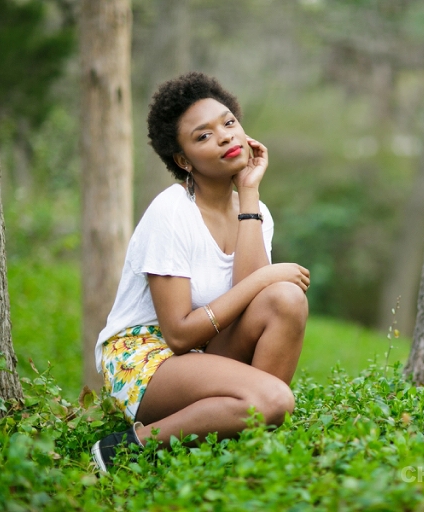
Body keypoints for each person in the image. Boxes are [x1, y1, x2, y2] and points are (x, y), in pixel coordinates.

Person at [90, 72, 310, 473]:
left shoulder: (257, 213)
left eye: (228, 123)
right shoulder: (171, 211)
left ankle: (238, 433)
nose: (225, 137)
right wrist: (267, 276)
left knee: (286, 299)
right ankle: (125, 447)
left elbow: (254, 302)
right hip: (145, 359)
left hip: (204, 352)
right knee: (275, 398)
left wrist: (249, 192)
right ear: (184, 160)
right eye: (203, 136)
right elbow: (177, 334)